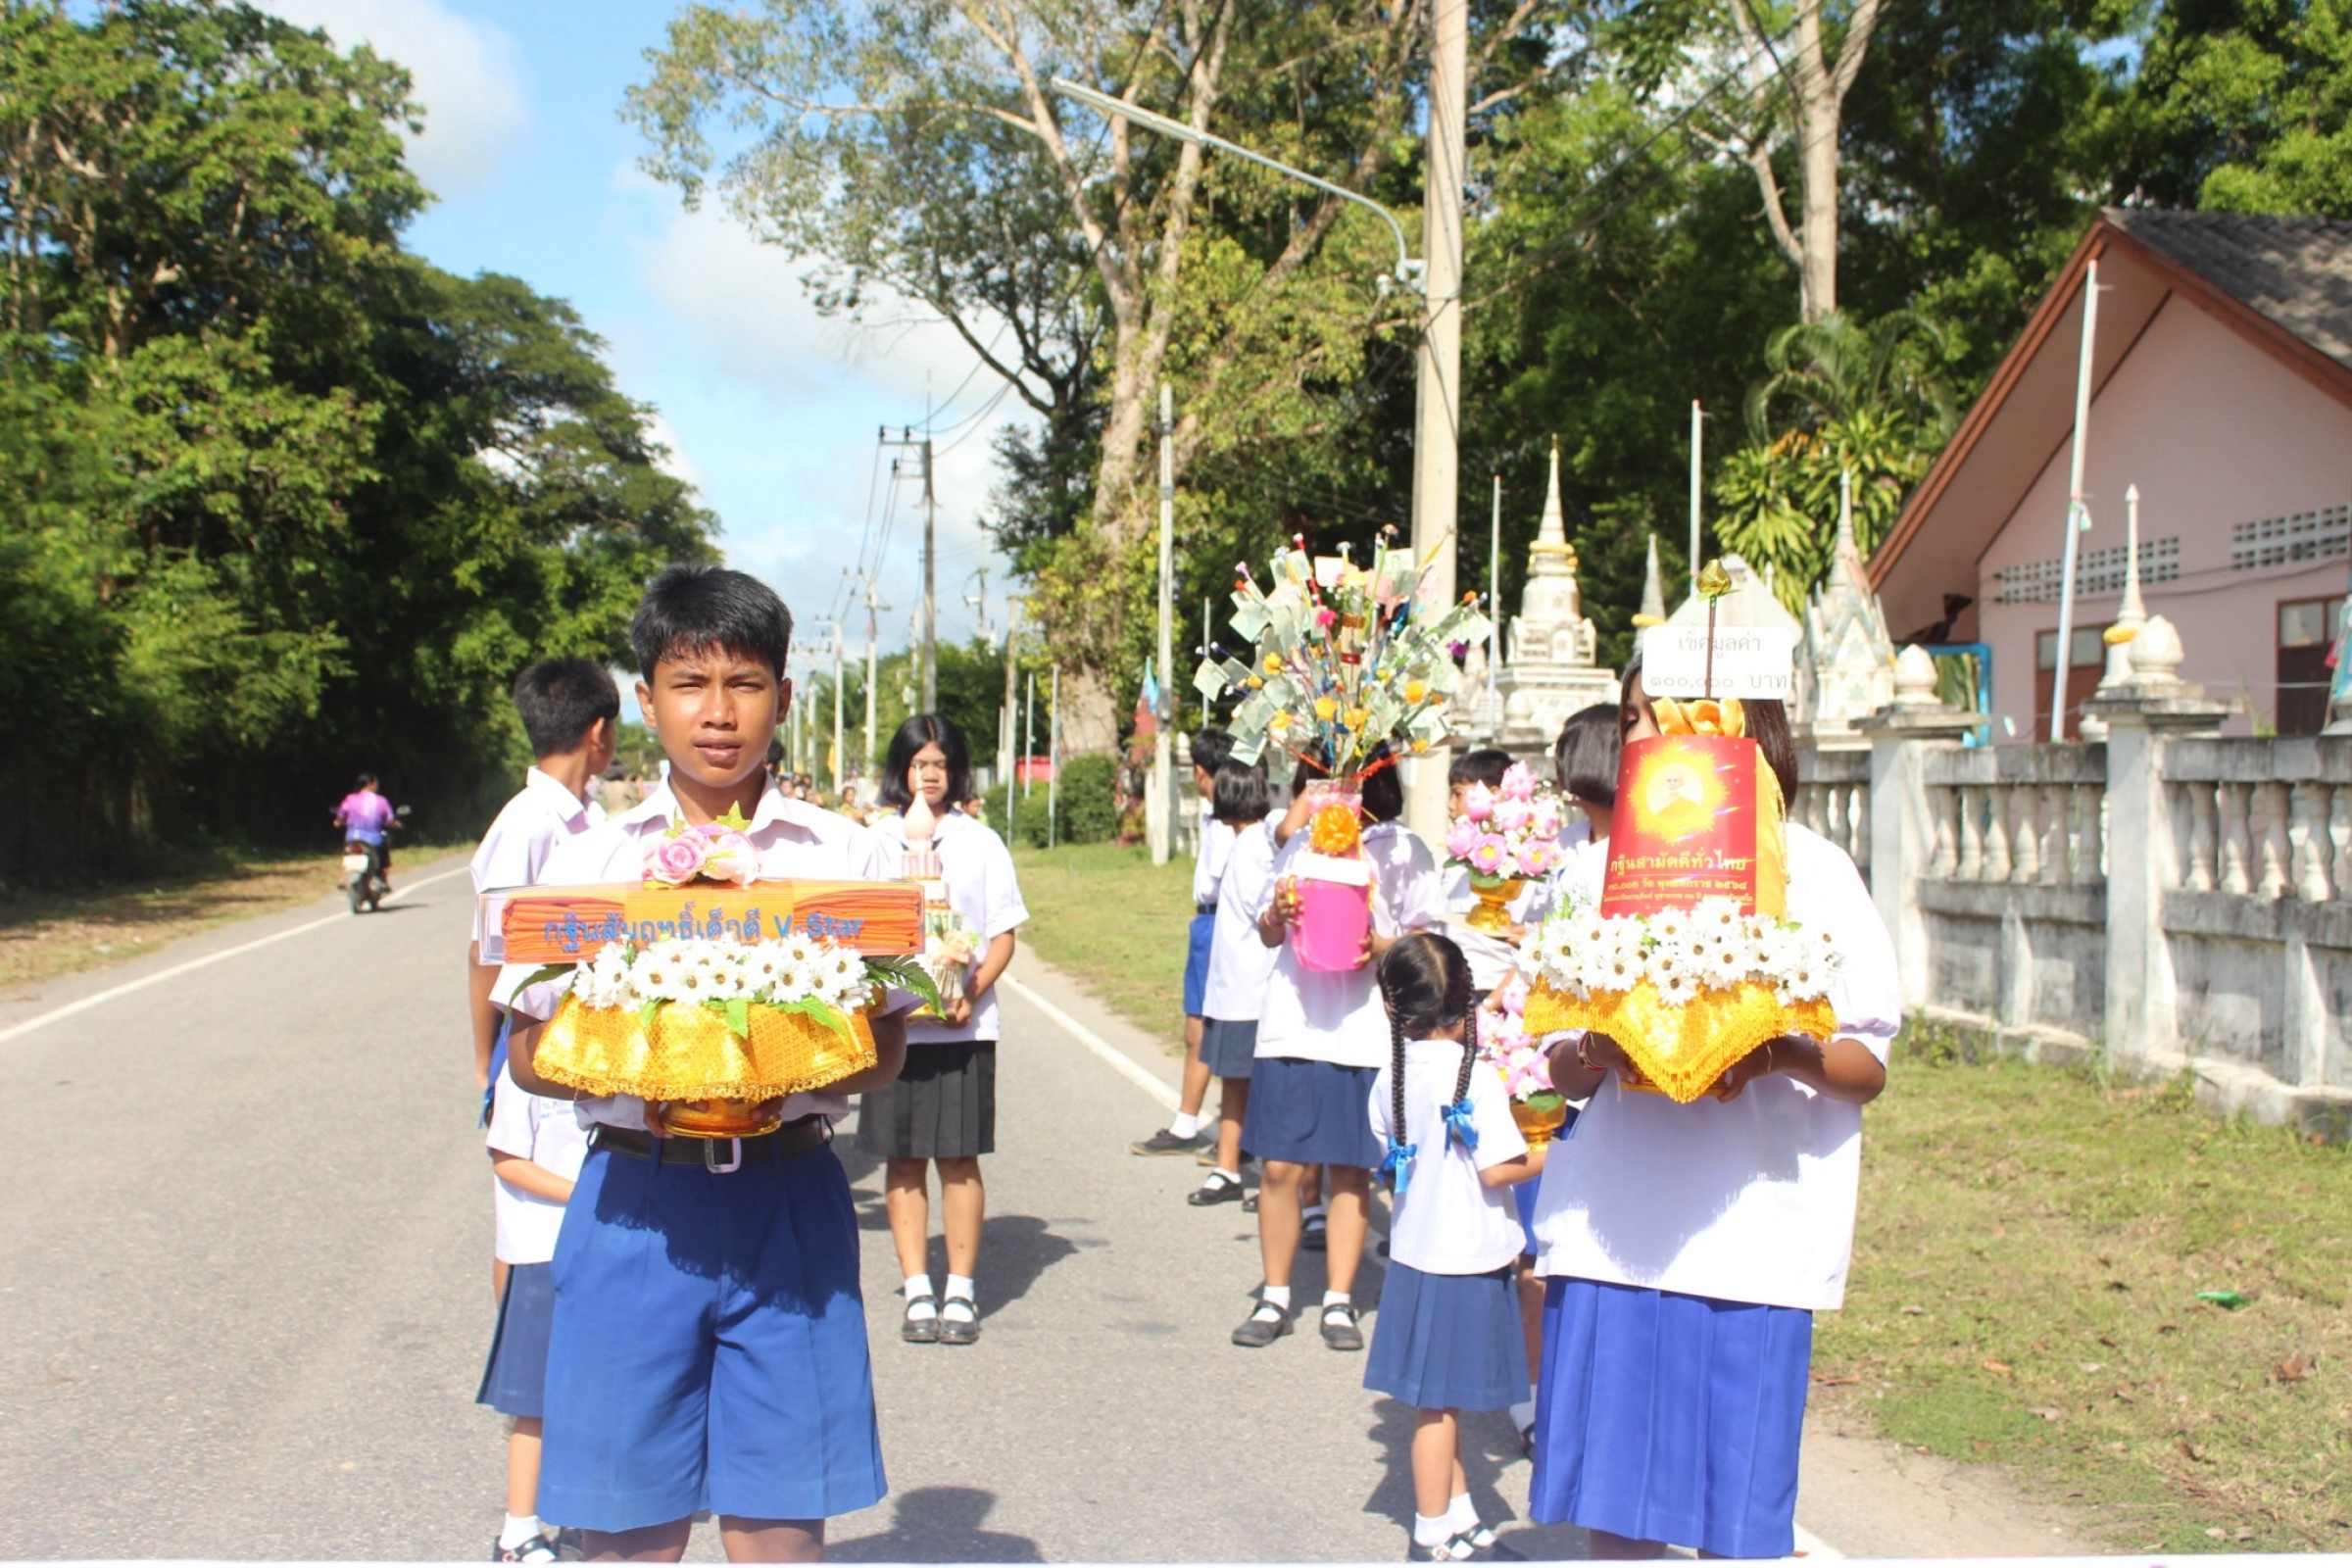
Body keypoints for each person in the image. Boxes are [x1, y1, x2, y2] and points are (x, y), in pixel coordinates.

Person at [497, 565, 912, 1564]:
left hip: (790, 1202)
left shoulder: (848, 857)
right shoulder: (586, 868)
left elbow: (890, 1045)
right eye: (690, 683)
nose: (718, 713)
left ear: (782, 695)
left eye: (746, 683)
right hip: (635, 1204)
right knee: (625, 1530)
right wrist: (641, 1052)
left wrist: (780, 1049)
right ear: (646, 700)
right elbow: (524, 1052)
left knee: (780, 1533)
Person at [1525, 652, 1899, 1561]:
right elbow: (1560, 1066)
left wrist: (1779, 1051)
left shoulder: (1810, 873)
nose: (1638, 738)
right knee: (1616, 1524)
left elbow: (1867, 1060)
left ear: (1729, 722)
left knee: (1738, 1532)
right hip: (1615, 1235)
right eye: (1633, 715)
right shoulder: (1593, 874)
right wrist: (1600, 1051)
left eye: (1656, 715)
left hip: (1753, 1256)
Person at [1232, 753, 1444, 1350]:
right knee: (1279, 1165)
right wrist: (1281, 911)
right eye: (1325, 776)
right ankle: (1275, 1297)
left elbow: (1429, 935)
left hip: (1363, 1030)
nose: (1335, 788)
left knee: (1352, 1168)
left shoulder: (1402, 849)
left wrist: (1381, 943)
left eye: (1349, 774)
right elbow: (1268, 927)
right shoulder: (1301, 840)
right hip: (1292, 1023)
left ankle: (1338, 1301)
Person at [1365, 932, 1537, 1561]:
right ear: (1468, 999)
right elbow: (1499, 1170)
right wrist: (1552, 1153)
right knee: (1438, 1410)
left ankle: (1460, 1514)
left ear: (1393, 1007)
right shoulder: (1480, 1078)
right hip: (1465, 1258)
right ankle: (1431, 1529)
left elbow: (1390, 1144)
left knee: (1446, 1401)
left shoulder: (1392, 1075)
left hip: (1418, 1253)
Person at [858, 714, 1027, 1346]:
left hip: (962, 1030)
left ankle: (961, 1287)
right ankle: (918, 1290)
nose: (928, 775)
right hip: (895, 1028)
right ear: (899, 769)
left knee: (958, 1158)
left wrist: (971, 994)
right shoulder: (874, 841)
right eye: (917, 763)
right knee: (903, 1161)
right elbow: (858, 932)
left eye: (940, 763)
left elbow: (1004, 932)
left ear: (956, 770)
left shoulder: (981, 842)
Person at [468, 660, 621, 1098]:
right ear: (598, 732)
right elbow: (487, 948)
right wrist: (486, 1063)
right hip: (533, 1040)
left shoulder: (589, 817)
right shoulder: (529, 823)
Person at [478, 1058, 591, 1564]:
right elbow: (506, 1158)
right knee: (537, 1401)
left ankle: (583, 1514)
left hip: (608, 1244)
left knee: (601, 1393)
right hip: (543, 1247)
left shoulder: (617, 1051)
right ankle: (517, 1531)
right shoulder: (526, 1070)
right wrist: (586, 1194)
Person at [1133, 728, 1235, 1155]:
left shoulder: (1236, 822)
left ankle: (1230, 1132)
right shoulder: (1213, 817)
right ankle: (1187, 1123)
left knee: (1224, 1030)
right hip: (1206, 924)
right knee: (1196, 1028)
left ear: (1202, 772)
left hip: (1224, 926)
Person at [1186, 758, 1279, 1207]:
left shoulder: (1259, 844)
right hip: (1229, 988)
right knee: (1235, 1083)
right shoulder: (1240, 842)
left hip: (1251, 989)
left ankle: (1269, 1175)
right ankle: (1228, 1168)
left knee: (1254, 1083)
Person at [332, 772, 398, 887]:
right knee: (384, 857)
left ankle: (344, 877)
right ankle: (383, 879)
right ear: (370, 784)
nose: (377, 786)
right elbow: (389, 821)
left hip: (353, 838)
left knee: (348, 854)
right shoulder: (381, 801)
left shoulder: (349, 799)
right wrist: (397, 824)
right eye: (376, 783)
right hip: (374, 840)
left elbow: (339, 818)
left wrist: (339, 823)